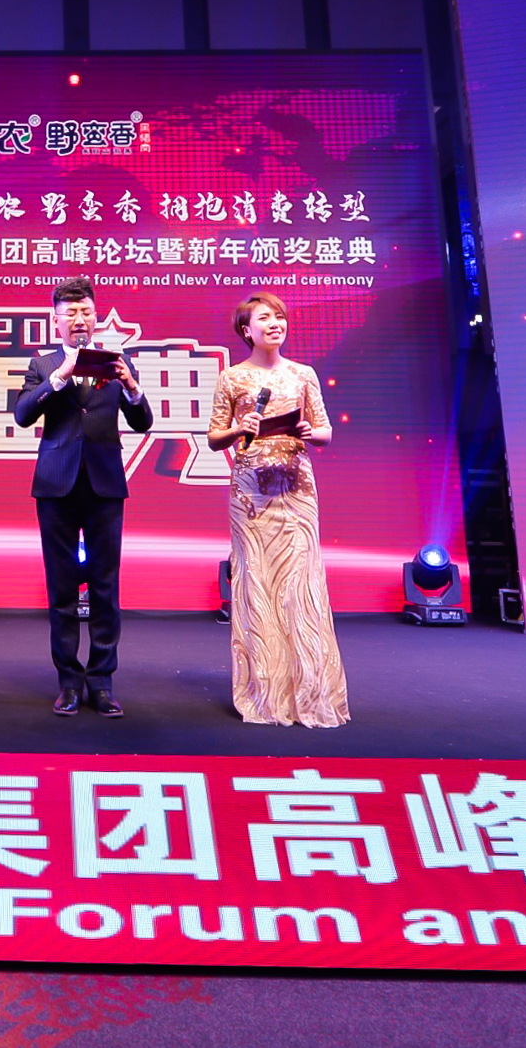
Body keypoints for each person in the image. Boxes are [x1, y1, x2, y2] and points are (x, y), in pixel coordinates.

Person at [12, 276, 155, 717]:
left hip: (104, 484)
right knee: (62, 588)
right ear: (56, 320)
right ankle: (69, 683)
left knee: (105, 586)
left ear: (96, 317)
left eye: (86, 312)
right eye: (70, 313)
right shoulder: (43, 364)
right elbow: (22, 415)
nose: (79, 320)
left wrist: (131, 386)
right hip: (55, 485)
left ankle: (102, 682)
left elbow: (142, 421)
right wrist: (59, 378)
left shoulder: (116, 361)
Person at [205, 291, 348, 728]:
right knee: (257, 581)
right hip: (251, 493)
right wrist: (238, 429)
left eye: (280, 317)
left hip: (296, 488)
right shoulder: (232, 378)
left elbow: (324, 433)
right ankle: (264, 689)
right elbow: (213, 437)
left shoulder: (303, 374)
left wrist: (307, 430)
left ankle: (309, 690)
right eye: (265, 318)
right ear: (246, 330)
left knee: (300, 583)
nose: (275, 324)